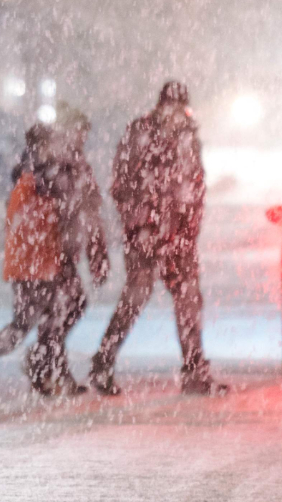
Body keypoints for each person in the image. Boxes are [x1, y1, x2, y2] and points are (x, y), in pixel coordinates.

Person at [90, 80, 221, 395]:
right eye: (171, 108)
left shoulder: (189, 137)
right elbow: (122, 183)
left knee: (188, 299)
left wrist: (189, 228)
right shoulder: (140, 133)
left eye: (180, 109)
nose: (176, 115)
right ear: (161, 106)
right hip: (145, 233)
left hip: (178, 235)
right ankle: (103, 364)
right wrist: (141, 224)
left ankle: (194, 369)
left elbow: (196, 185)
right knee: (136, 297)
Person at [0, 118, 108, 397]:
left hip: (36, 261)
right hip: (39, 262)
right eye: (47, 144)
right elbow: (50, 216)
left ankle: (14, 362)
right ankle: (46, 372)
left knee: (42, 320)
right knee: (47, 321)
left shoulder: (37, 173)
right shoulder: (37, 177)